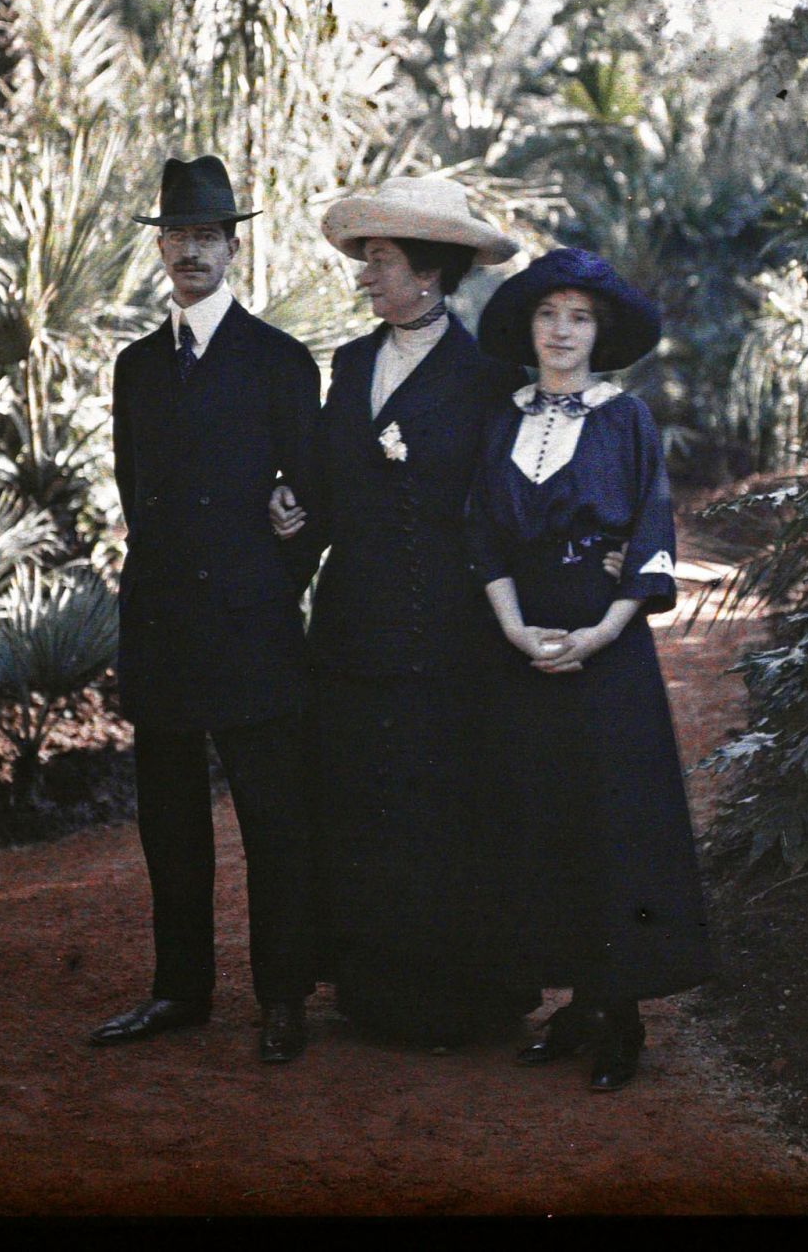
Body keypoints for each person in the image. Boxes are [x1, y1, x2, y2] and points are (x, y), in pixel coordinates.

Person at [267, 176, 533, 1047]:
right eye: (366, 260)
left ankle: (457, 1002)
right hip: (351, 628)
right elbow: (327, 486)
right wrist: (294, 511)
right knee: (360, 802)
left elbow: (508, 502)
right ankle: (371, 989)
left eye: (379, 261)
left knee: (443, 809)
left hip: (450, 637)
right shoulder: (348, 364)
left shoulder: (489, 378)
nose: (365, 278)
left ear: (428, 272)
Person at [464, 247, 716, 1091]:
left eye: (577, 317)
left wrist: (596, 635)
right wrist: (516, 629)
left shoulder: (626, 420)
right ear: (528, 328)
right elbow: (483, 536)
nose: (561, 331)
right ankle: (571, 1003)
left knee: (611, 825)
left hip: (605, 657)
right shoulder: (502, 421)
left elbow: (649, 537)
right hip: (523, 650)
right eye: (547, 315)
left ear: (598, 331)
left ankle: (621, 1017)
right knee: (542, 821)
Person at [92, 155, 324, 1065]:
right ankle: (179, 990)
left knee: (273, 819)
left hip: (254, 633)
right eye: (177, 236)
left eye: (208, 237)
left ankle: (282, 998)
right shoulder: (137, 368)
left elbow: (310, 503)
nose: (192, 251)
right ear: (159, 249)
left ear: (234, 248)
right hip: (162, 635)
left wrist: (270, 583)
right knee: (170, 824)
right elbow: (133, 492)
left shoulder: (278, 361)